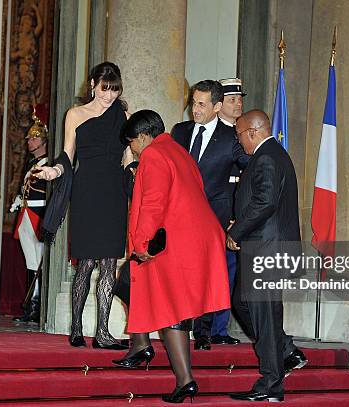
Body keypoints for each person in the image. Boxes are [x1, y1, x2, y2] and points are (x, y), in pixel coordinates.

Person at [123, 109, 230, 403]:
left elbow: (153, 204)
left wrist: (142, 243)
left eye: (132, 141)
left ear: (144, 136)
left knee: (172, 307)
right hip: (196, 237)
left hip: (175, 239)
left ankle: (185, 381)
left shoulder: (154, 155)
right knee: (129, 281)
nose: (132, 148)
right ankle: (140, 345)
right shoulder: (179, 152)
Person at [36, 62, 128, 350]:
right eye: (104, 89)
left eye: (114, 90)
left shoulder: (122, 115)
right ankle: (76, 327)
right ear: (92, 84)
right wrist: (53, 171)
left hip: (114, 192)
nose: (109, 95)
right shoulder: (75, 114)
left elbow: (127, 157)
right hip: (87, 192)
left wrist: (136, 176)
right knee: (87, 264)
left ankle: (102, 332)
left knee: (110, 265)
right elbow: (67, 155)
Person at [226, 110, 301, 402]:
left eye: (239, 135)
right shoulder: (272, 154)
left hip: (265, 249)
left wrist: (236, 232)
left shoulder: (267, 156)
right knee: (242, 303)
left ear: (252, 132)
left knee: (264, 315)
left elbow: (265, 202)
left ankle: (271, 384)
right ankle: (283, 350)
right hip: (264, 246)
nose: (238, 140)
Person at [171, 79, 249, 350]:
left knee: (207, 275)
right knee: (180, 274)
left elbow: (250, 172)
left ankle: (203, 334)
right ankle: (178, 327)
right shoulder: (179, 132)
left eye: (202, 104)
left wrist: (239, 214)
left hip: (213, 218)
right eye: (194, 103)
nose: (195, 109)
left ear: (217, 106)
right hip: (179, 218)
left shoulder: (231, 140)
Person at [11, 104, 49, 324]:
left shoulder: (49, 165)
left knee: (38, 261)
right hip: (25, 214)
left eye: (34, 139)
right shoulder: (32, 165)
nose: (29, 142)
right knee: (30, 263)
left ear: (44, 140)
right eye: (29, 139)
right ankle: (31, 307)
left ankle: (36, 308)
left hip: (38, 215)